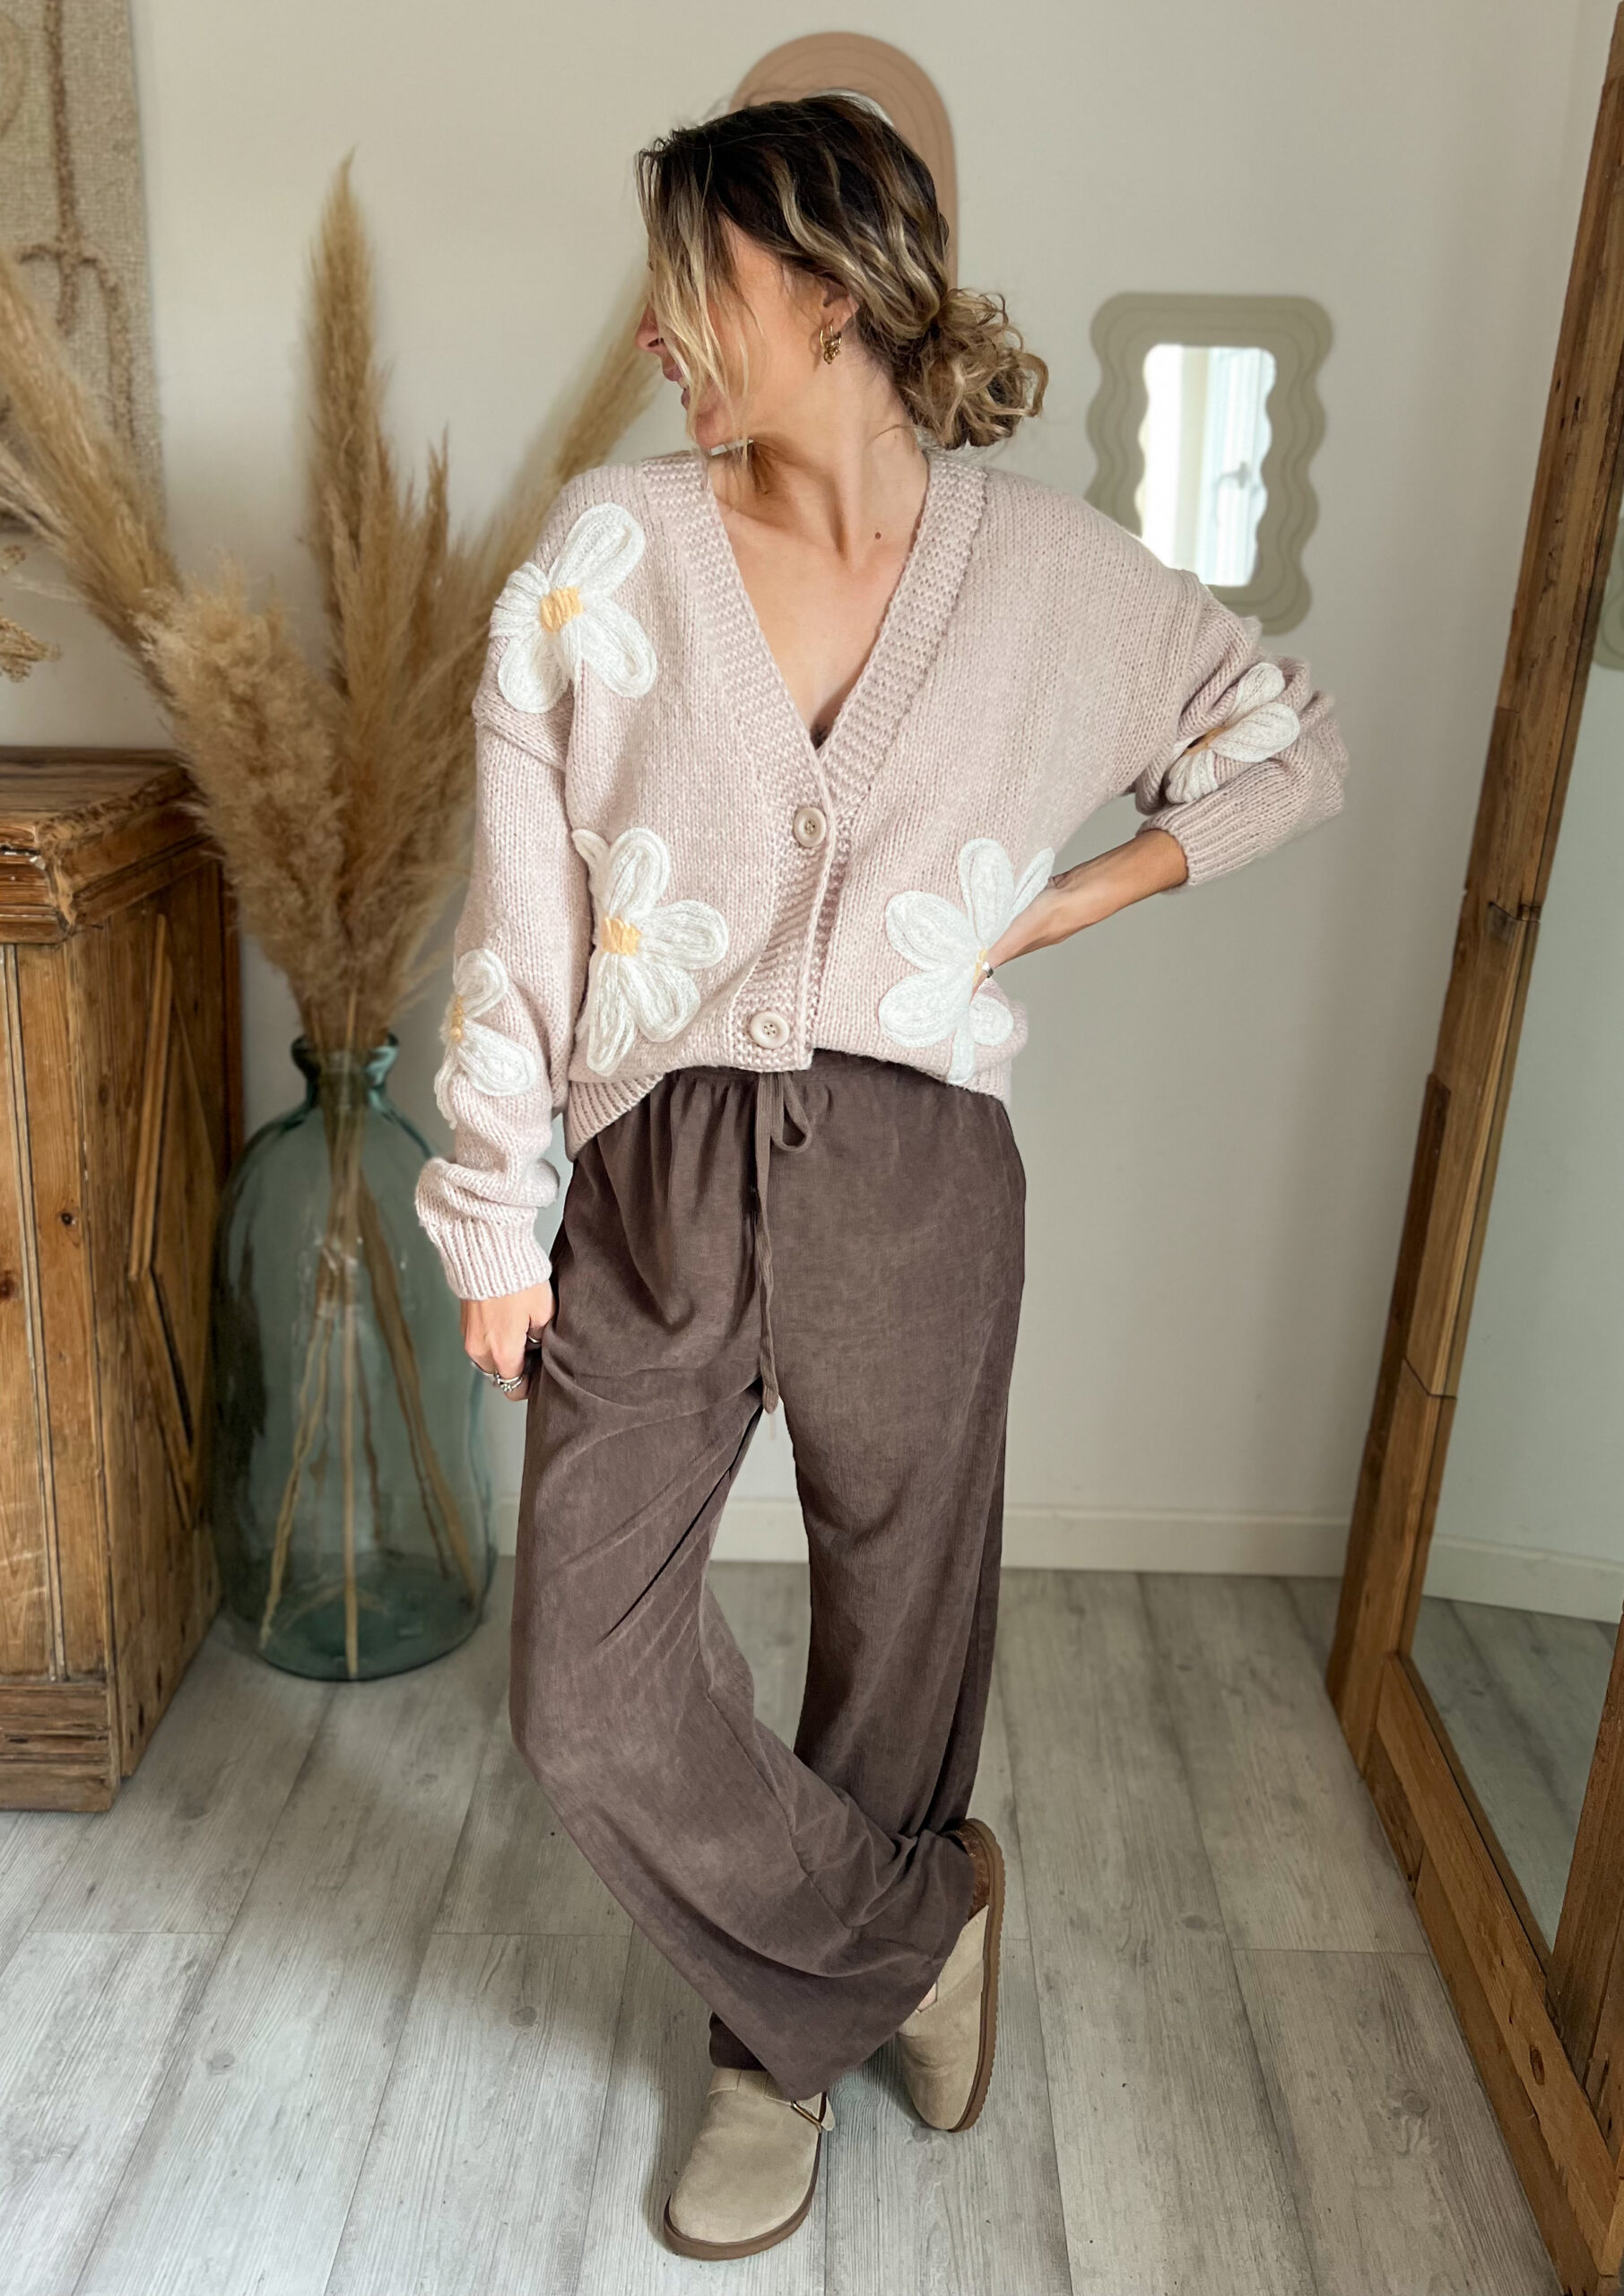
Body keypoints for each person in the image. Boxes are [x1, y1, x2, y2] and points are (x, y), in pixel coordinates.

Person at [414, 91, 1349, 2261]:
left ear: (825, 289)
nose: (654, 331)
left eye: (694, 283)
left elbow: (1288, 737)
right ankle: (916, 1938)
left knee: (898, 1639)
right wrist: (489, 1203)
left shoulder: (1051, 582)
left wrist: (1071, 898)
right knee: (586, 1695)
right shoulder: (606, 553)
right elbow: (518, 918)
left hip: (919, 1174)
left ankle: (777, 2057)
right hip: (654, 1171)